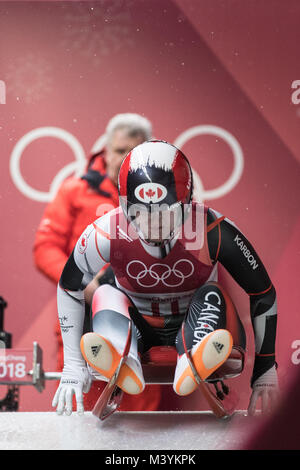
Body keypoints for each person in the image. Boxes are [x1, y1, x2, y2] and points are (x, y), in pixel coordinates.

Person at [52, 140, 279, 416]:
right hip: (137, 327)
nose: (152, 223)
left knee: (212, 293)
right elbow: (68, 287)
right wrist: (73, 365)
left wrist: (266, 370)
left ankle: (192, 354)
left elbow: (262, 291)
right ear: (124, 204)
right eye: (138, 212)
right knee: (104, 293)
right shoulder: (105, 230)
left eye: (165, 212)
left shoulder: (211, 228)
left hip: (193, 322)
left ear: (187, 202)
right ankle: (125, 357)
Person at [34, 113, 164, 411]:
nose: (124, 159)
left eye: (134, 152)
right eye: (120, 150)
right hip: (83, 318)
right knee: (80, 414)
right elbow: (46, 248)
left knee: (142, 427)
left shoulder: (164, 197)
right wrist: (86, 283)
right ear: (105, 150)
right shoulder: (75, 190)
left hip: (143, 320)